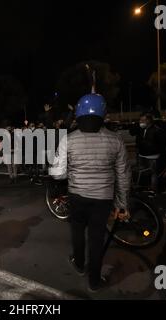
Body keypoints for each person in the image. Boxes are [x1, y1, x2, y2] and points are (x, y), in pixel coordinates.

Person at [49, 93, 131, 293]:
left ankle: (78, 264)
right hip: (103, 199)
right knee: (96, 238)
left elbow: (58, 175)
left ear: (78, 114)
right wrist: (122, 204)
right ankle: (94, 281)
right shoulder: (116, 140)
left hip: (77, 196)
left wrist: (60, 167)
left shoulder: (68, 140)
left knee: (77, 231)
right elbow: (123, 176)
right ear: (104, 114)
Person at [129, 113, 166, 191]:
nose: (141, 122)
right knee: (144, 173)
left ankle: (153, 190)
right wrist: (136, 125)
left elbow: (161, 144)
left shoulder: (156, 130)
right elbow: (131, 132)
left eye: (143, 120)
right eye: (140, 120)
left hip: (153, 156)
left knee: (153, 174)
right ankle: (145, 188)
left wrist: (152, 149)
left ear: (149, 120)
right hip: (142, 155)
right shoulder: (141, 129)